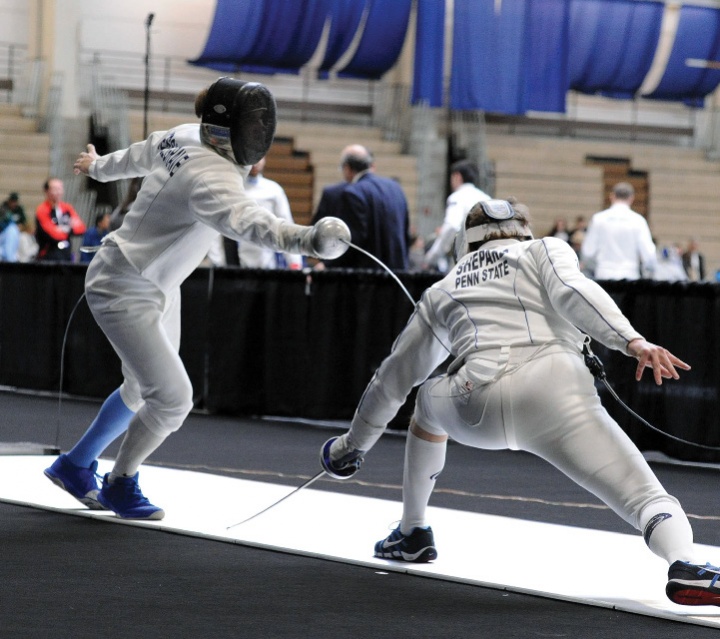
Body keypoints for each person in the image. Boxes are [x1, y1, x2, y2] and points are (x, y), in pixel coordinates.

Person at [320, 197, 720, 607]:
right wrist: (631, 341)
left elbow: (392, 379)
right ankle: (686, 562)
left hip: (476, 402)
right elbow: (573, 291)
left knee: (426, 400)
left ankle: (412, 532)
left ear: (466, 241)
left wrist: (350, 448)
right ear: (522, 229)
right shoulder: (544, 248)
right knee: (646, 498)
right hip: (557, 390)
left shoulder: (442, 288)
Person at [43, 77, 350, 521]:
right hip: (124, 287)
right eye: (253, 125)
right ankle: (119, 483)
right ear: (230, 130)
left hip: (151, 283)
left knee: (140, 387)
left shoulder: (183, 134)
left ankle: (74, 466)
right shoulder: (210, 176)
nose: (260, 135)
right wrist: (310, 240)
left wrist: (97, 166)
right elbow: (252, 224)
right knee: (172, 398)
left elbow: (137, 155)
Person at [313, 144, 410, 271]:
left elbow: (353, 241)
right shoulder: (396, 188)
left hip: (368, 278)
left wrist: (326, 265)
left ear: (347, 168)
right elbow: (405, 233)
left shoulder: (353, 192)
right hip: (398, 273)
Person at [231, 156, 302, 269]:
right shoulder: (234, 188)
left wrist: (294, 263)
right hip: (236, 263)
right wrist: (218, 262)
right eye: (252, 158)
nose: (255, 163)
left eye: (258, 158)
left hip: (268, 264)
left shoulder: (274, 190)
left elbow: (287, 227)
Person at [423, 159, 491, 272]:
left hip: (463, 263)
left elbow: (451, 226)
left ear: (457, 176)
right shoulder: (487, 198)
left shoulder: (457, 197)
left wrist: (431, 258)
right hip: (485, 261)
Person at [580, 182, 656, 280]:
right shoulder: (638, 221)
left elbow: (588, 252)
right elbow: (649, 254)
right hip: (630, 276)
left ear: (612, 196)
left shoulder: (598, 219)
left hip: (604, 275)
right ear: (631, 198)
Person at [35, 177, 87, 261]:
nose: (58, 192)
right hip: (48, 255)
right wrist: (68, 227)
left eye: (60, 188)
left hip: (66, 254)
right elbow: (53, 234)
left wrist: (63, 229)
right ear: (47, 191)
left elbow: (81, 228)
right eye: (55, 189)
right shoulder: (42, 210)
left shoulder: (67, 208)